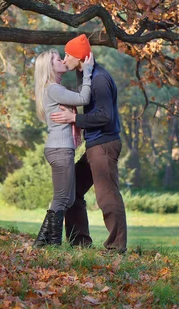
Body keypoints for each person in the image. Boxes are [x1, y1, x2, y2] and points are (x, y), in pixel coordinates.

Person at [50, 34, 127, 253]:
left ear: (80, 56)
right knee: (72, 188)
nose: (65, 59)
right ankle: (79, 243)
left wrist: (74, 119)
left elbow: (104, 115)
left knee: (107, 196)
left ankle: (116, 248)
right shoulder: (86, 74)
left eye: (68, 55)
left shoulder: (99, 78)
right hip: (94, 144)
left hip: (104, 144)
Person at [33, 47, 94, 247]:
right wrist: (87, 72)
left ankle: (43, 242)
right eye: (57, 59)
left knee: (66, 199)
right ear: (49, 68)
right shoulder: (53, 89)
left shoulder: (52, 89)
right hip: (60, 150)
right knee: (62, 198)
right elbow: (83, 98)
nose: (61, 61)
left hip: (60, 149)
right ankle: (52, 244)